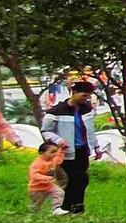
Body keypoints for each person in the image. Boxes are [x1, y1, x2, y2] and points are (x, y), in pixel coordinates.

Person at [41, 81, 100, 215]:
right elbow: (45, 131)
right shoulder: (56, 111)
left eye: (88, 96)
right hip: (66, 152)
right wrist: (59, 140)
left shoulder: (87, 110)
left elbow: (91, 130)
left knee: (82, 179)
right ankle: (66, 207)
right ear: (74, 93)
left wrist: (96, 146)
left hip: (83, 149)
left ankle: (76, 207)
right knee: (73, 179)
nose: (86, 99)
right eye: (83, 95)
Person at [27, 142, 67, 215]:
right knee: (37, 204)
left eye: (56, 151)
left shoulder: (53, 160)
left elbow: (59, 159)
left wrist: (62, 150)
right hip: (37, 188)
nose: (55, 154)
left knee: (59, 192)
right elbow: (34, 175)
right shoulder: (38, 163)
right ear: (42, 153)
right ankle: (32, 214)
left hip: (49, 186)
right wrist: (45, 178)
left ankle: (56, 208)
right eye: (52, 152)